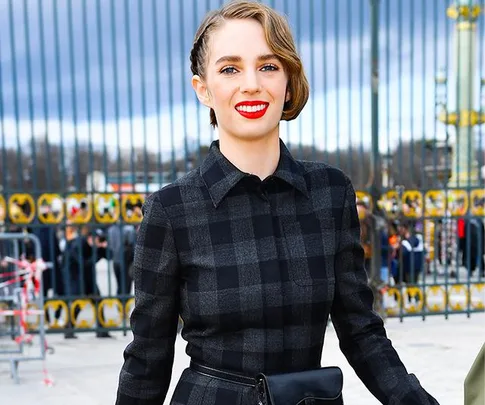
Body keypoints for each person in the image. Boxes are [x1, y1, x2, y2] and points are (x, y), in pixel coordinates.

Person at [115, 1, 439, 404]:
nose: (251, 83)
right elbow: (148, 358)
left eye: (268, 66)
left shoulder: (331, 193)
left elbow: (362, 333)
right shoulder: (171, 210)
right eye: (230, 68)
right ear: (203, 88)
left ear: (287, 79)